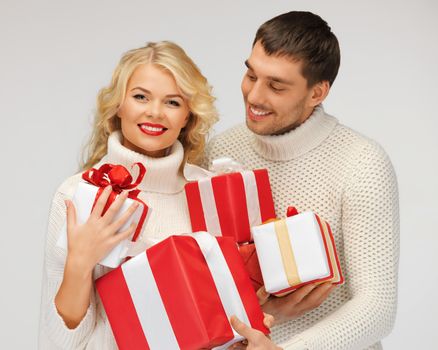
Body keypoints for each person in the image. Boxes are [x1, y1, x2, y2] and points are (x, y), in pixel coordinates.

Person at [207, 11, 399, 350]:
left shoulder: (362, 163)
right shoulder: (221, 150)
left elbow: (377, 307)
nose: (254, 96)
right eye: (251, 74)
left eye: (276, 86)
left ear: (317, 93)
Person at [38, 41, 219, 349]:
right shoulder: (78, 194)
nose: (155, 112)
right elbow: (61, 341)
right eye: (140, 97)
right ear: (119, 105)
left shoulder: (208, 192)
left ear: (188, 116)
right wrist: (81, 262)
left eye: (173, 102)